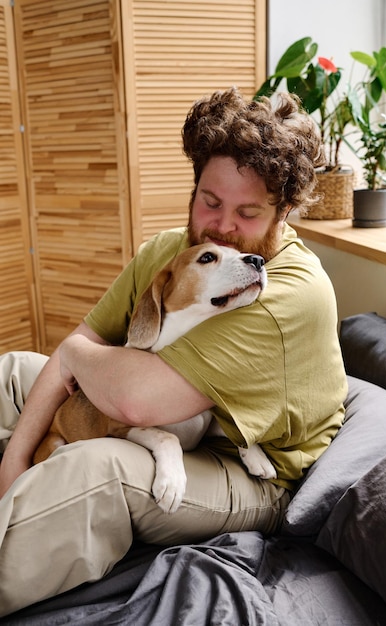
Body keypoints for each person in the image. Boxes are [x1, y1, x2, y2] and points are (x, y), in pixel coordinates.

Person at [0, 87, 347, 616]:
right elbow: (82, 341)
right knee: (13, 372)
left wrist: (75, 359)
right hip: (163, 411)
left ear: (283, 213)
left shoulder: (284, 291)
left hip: (248, 469)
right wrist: (16, 461)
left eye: (248, 212)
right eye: (210, 201)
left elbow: (138, 402)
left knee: (100, 468)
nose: (223, 226)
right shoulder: (168, 252)